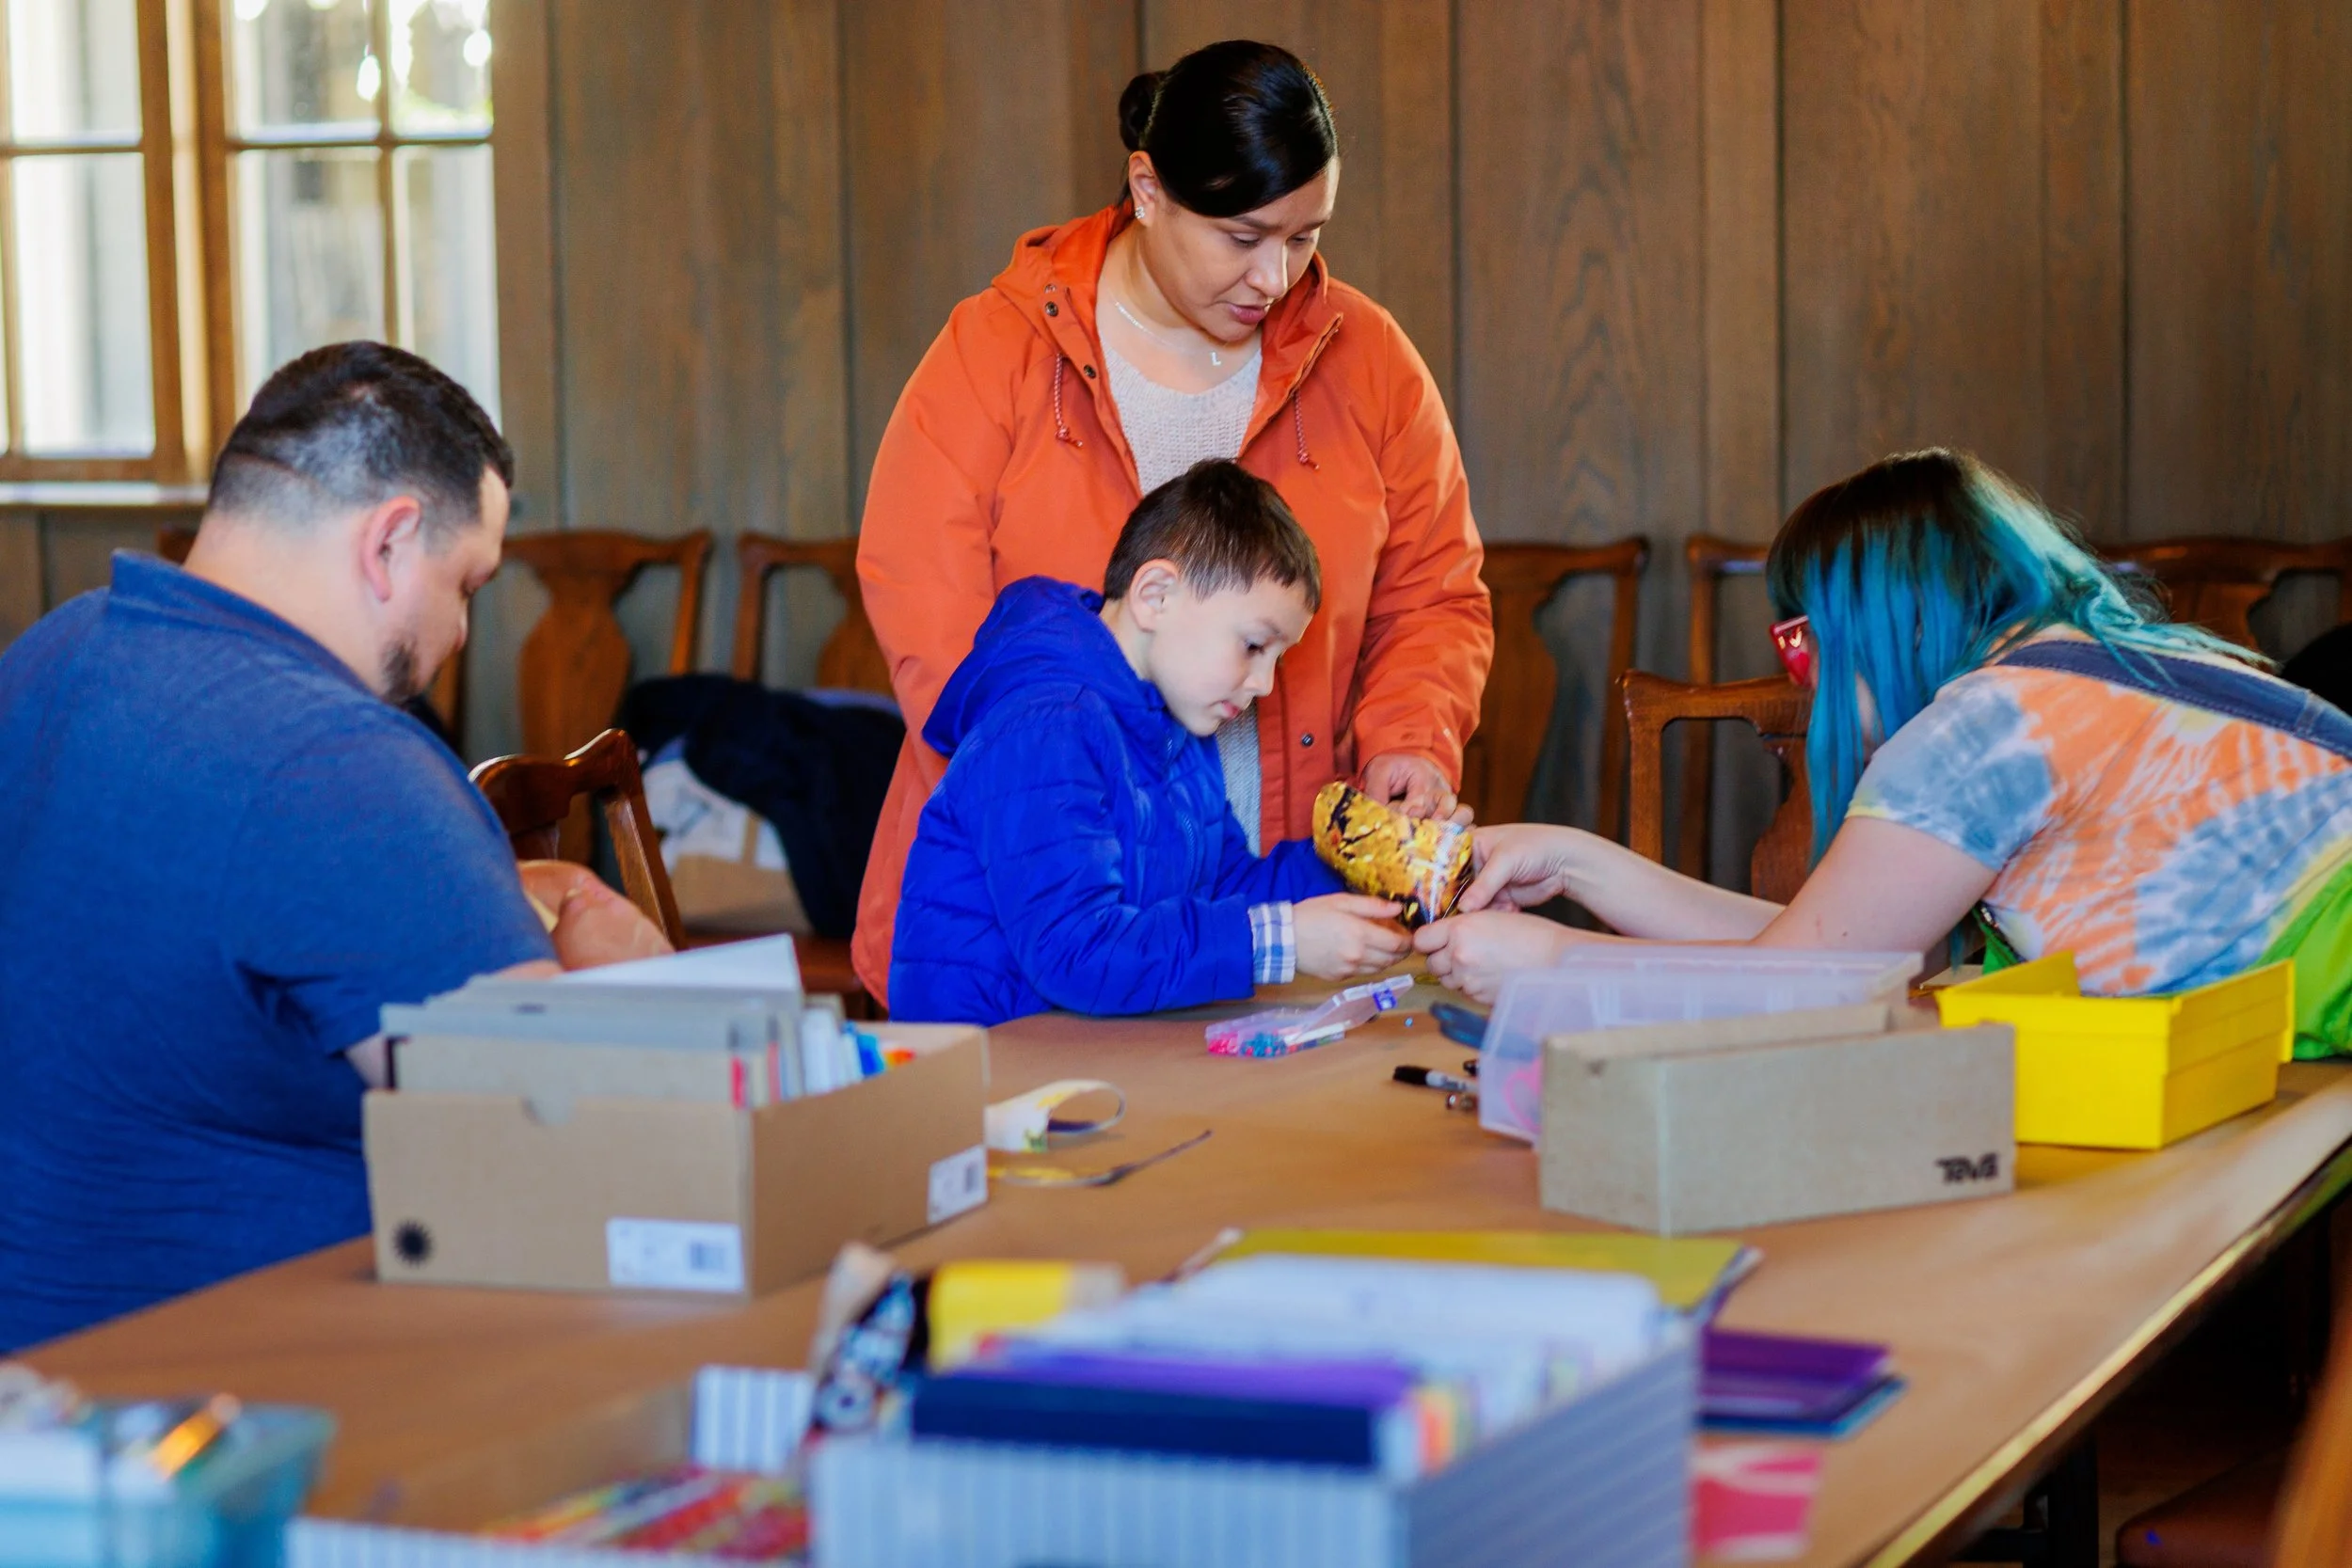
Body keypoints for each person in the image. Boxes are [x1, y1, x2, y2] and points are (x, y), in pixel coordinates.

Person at [0, 341, 671, 1351]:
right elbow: (553, 1163)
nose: (457, 631)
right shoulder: (344, 763)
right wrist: (631, 998)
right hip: (259, 1407)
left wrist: (461, 893)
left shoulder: (51, 652)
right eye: (467, 582)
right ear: (390, 541)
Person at [853, 39, 1492, 1007]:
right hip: (1057, 898)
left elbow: (1434, 592)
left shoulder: (1367, 360)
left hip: (1239, 891)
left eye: (1306, 237)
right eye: (1242, 237)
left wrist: (1410, 738)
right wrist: (1073, 789)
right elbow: (926, 608)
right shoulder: (999, 348)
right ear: (1146, 190)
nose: (1273, 278)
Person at [1418, 449, 2352, 1058]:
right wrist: (1580, 861)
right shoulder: (2105, 666)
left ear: (1862, 618)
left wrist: (1551, 963)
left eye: (1799, 636)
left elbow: (1793, 997)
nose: (1803, 672)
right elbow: (1833, 953)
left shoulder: (1978, 729)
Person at [891, 461, 1409, 1025]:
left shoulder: (1177, 728)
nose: (1262, 684)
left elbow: (1224, 886)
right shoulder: (1045, 725)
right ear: (1156, 596)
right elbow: (1076, 951)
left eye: (1276, 660)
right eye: (1254, 646)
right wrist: (1280, 940)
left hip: (1087, 1055)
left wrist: (1384, 857)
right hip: (987, 1071)